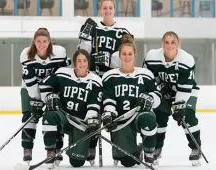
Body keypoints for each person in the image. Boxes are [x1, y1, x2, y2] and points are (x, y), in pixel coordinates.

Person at [78, 0, 133, 163]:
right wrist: (85, 37)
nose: (107, 10)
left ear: (114, 9)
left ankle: (117, 146)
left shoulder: (123, 31)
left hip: (114, 78)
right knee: (93, 112)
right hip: (95, 77)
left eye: (110, 8)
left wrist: (109, 59)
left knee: (113, 112)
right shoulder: (93, 28)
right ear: (100, 9)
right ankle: (91, 145)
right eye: (104, 8)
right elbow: (82, 54)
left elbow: (127, 57)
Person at [142, 31, 202, 166]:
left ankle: (195, 147)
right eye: (166, 42)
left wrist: (179, 105)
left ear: (178, 44)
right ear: (162, 43)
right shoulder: (152, 56)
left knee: (187, 116)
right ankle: (157, 147)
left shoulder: (186, 60)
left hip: (187, 91)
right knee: (159, 116)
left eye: (173, 42)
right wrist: (161, 88)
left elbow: (185, 86)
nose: (169, 45)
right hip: (164, 92)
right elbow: (148, 78)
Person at [101, 35, 161, 167]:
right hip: (122, 121)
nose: (127, 57)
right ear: (120, 56)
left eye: (130, 54)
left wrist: (150, 99)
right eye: (124, 54)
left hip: (139, 115)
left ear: (134, 55)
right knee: (128, 162)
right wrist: (109, 113)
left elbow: (157, 95)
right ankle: (136, 150)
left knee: (148, 118)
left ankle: (149, 152)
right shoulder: (110, 76)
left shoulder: (145, 74)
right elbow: (108, 98)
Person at [39, 49, 103, 168]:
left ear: (88, 62)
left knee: (77, 162)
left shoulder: (96, 81)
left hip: (80, 122)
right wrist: (48, 97)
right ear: (74, 62)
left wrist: (90, 119)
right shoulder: (62, 73)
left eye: (84, 60)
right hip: (63, 116)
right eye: (79, 60)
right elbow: (44, 83)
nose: (82, 63)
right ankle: (52, 151)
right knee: (49, 115)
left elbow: (94, 104)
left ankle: (88, 146)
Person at [20, 27, 71, 165]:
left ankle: (55, 149)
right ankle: (27, 149)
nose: (41, 44)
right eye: (38, 41)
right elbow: (31, 83)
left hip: (51, 89)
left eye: (44, 41)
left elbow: (62, 72)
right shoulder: (26, 55)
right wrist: (37, 102)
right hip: (29, 89)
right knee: (28, 117)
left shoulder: (59, 53)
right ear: (34, 42)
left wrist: (49, 97)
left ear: (49, 42)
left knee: (54, 115)